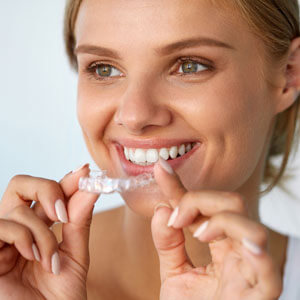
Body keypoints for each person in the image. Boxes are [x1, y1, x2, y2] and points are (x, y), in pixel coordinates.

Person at [0, 0, 300, 299]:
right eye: (104, 69)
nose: (134, 116)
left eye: (189, 66)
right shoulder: (13, 278)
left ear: (289, 73)